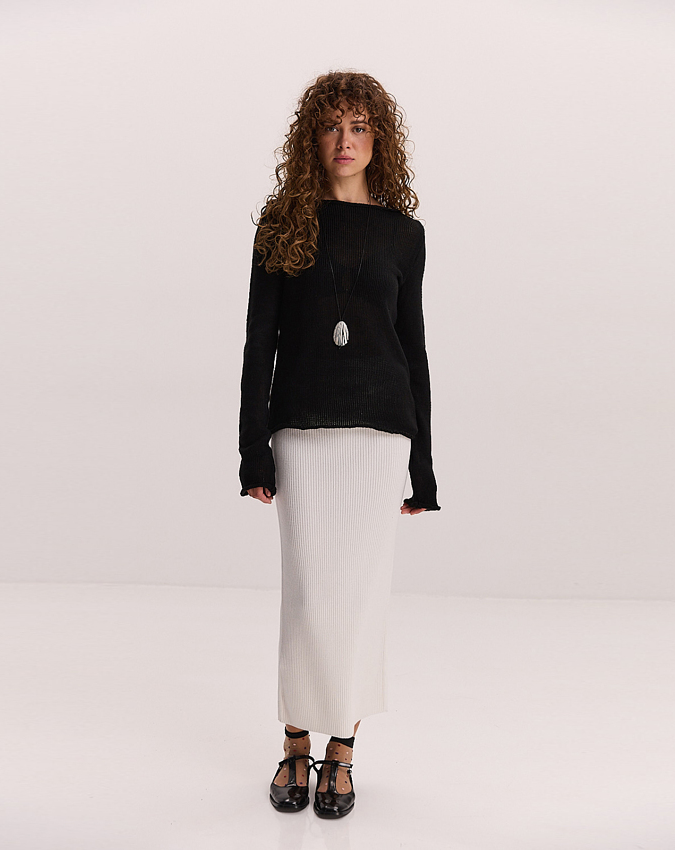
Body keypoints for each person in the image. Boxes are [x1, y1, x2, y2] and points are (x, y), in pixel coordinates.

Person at [238, 69, 441, 819]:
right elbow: (259, 344)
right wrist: (252, 450)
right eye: (331, 126)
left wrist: (423, 467)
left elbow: (413, 349)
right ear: (311, 139)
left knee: (358, 598)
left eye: (358, 127)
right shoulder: (281, 223)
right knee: (309, 593)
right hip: (301, 429)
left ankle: (342, 750)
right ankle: (296, 740)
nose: (345, 141)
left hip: (380, 435)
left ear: (379, 139)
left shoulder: (404, 236)